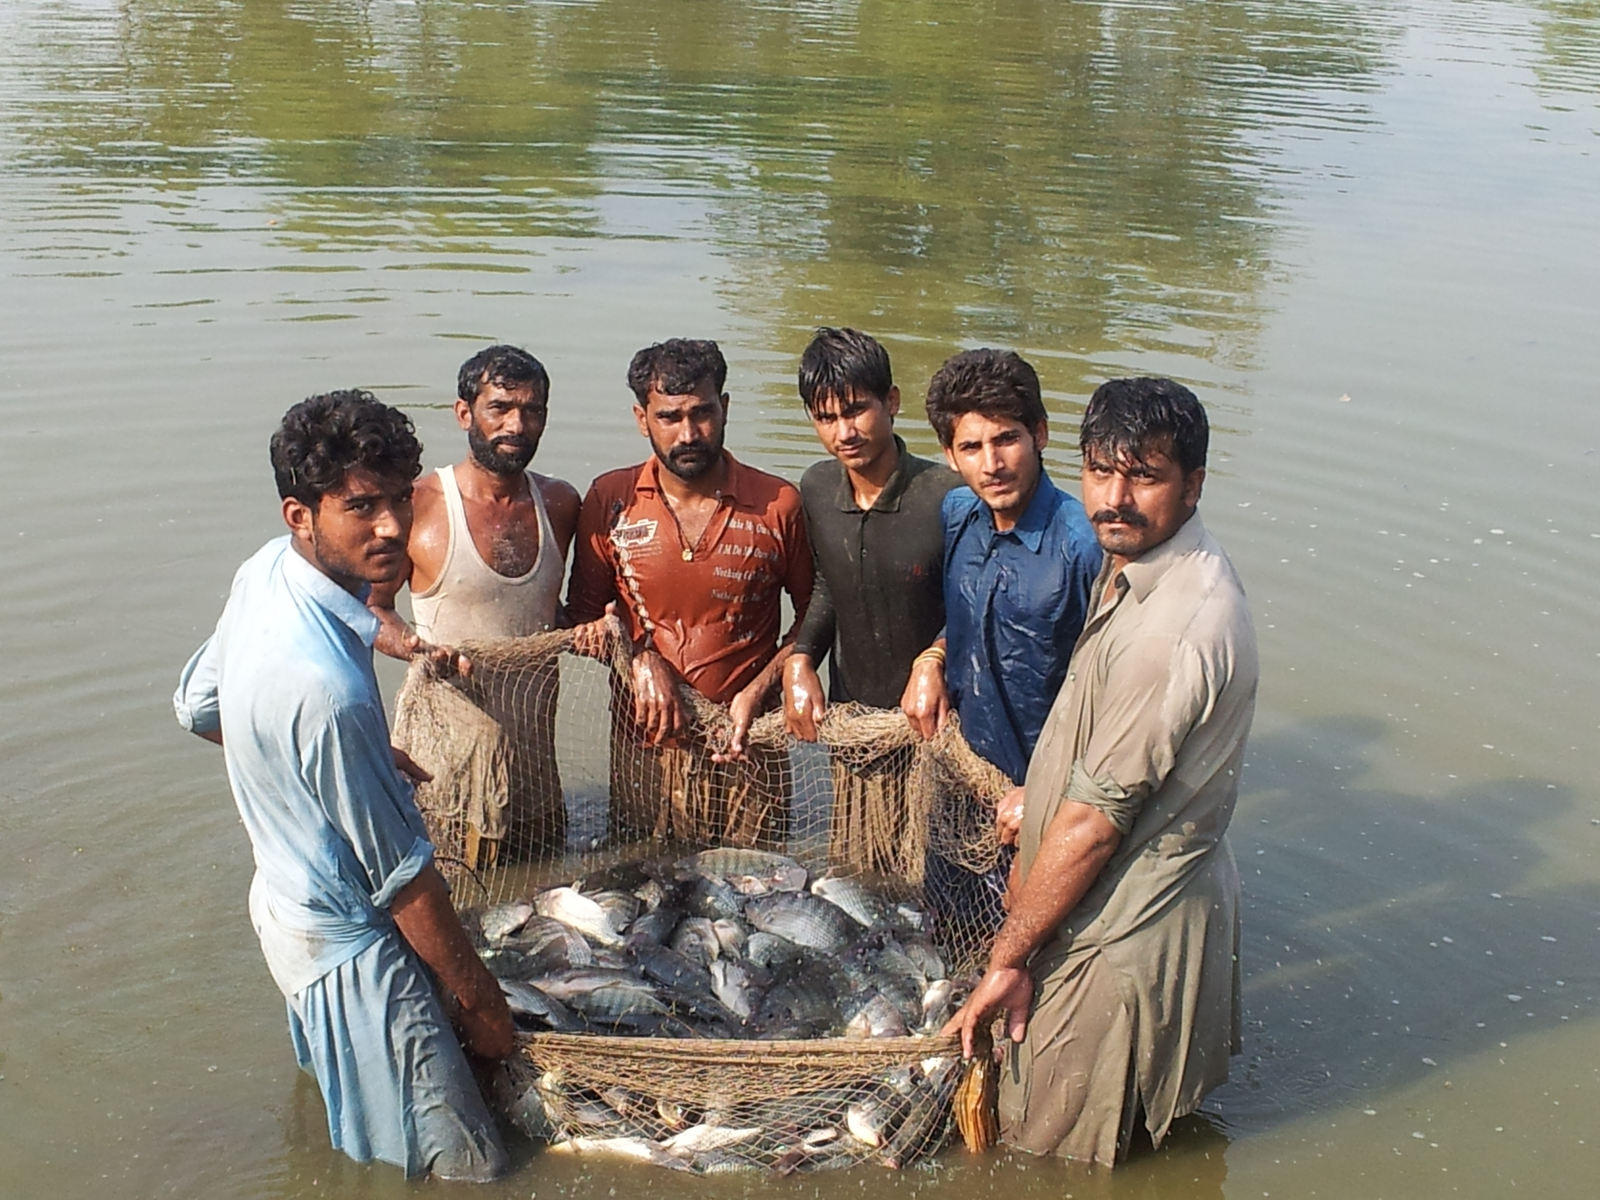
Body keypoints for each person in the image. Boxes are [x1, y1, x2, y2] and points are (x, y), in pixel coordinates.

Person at [173, 391, 513, 1180]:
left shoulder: (264, 572)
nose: (393, 527)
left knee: (356, 1129)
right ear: (301, 513)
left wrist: (339, 764)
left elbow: (196, 706)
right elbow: (404, 885)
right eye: (361, 506)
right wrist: (483, 1007)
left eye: (400, 498)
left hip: (280, 916)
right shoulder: (327, 692)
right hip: (352, 954)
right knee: (465, 1169)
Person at [943, 377, 1255, 1165]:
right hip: (1110, 898)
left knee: (1050, 1151)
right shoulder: (1137, 561)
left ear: (1193, 484)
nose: (1114, 498)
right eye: (1099, 471)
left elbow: (1092, 826)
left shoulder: (1175, 629)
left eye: (1144, 476)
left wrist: (1005, 958)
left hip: (1119, 927)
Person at [566, 338, 813, 847]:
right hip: (647, 749)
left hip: (751, 746)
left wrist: (759, 688)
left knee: (759, 897)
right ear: (641, 418)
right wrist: (637, 657)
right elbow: (584, 622)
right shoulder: (610, 500)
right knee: (643, 894)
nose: (689, 433)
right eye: (669, 417)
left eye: (702, 413)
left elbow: (815, 620)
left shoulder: (778, 503)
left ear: (726, 407)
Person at [900, 348, 1101, 955]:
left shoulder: (1085, 546)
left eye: (1006, 439)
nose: (991, 464)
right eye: (970, 447)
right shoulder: (959, 513)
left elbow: (1113, 700)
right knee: (948, 934)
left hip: (1048, 805)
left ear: (1040, 434)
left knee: (1032, 957)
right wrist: (931, 659)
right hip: (962, 777)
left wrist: (1045, 793)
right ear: (948, 455)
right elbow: (957, 624)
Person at [368, 345, 582, 862]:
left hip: (536, 766)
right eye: (500, 408)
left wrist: (593, 631)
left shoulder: (559, 503)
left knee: (546, 887)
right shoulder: (419, 503)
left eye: (531, 411)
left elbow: (558, 614)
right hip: (450, 765)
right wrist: (414, 647)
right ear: (465, 413)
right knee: (461, 886)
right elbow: (370, 609)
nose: (516, 424)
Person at [781, 327, 955, 873]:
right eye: (826, 417)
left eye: (857, 410)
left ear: (893, 402)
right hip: (855, 728)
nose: (844, 431)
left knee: (933, 876)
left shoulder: (947, 495)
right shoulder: (815, 489)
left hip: (938, 729)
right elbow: (830, 585)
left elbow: (976, 608)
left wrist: (936, 658)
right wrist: (802, 658)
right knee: (859, 872)